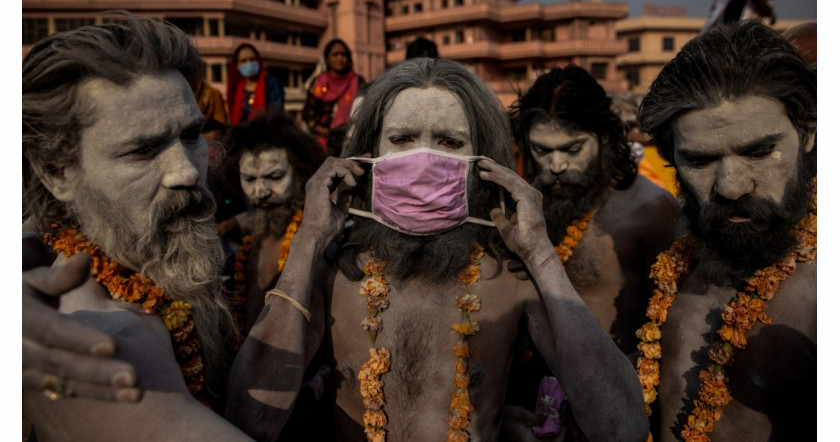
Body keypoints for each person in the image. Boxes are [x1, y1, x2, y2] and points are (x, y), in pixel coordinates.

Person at [225, 58, 648, 441]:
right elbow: (250, 420)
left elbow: (620, 427)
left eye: (448, 142)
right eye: (403, 138)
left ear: (485, 162)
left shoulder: (511, 279)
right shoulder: (333, 272)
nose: (423, 159)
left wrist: (541, 256)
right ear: (368, 154)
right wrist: (308, 243)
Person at [22, 14, 250, 440]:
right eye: (143, 150)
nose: (185, 171)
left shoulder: (162, 266)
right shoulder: (95, 342)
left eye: (191, 135)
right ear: (58, 173)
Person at [635, 20, 816, 440]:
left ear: (806, 134)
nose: (732, 186)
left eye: (759, 151)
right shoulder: (679, 257)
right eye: (700, 161)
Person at [504, 67, 680, 438]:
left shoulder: (650, 209)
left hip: (617, 404)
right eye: (541, 150)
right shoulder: (521, 204)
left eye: (572, 148)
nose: (555, 166)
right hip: (531, 399)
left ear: (604, 137)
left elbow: (673, 332)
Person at [216, 109, 326, 335]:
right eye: (249, 179)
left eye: (274, 177)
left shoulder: (320, 235)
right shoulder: (249, 239)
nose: (260, 191)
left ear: (300, 172)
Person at [301, 38, 366, 144]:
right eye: (335, 54)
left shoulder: (358, 82)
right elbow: (308, 112)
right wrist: (323, 131)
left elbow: (367, 109)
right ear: (327, 59)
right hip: (324, 140)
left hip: (354, 139)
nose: (340, 58)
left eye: (343, 55)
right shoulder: (318, 83)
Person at [226, 42, 285, 125]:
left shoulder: (271, 84)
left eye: (252, 59)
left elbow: (276, 114)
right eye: (244, 61)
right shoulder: (237, 89)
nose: (249, 63)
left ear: (258, 61)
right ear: (237, 66)